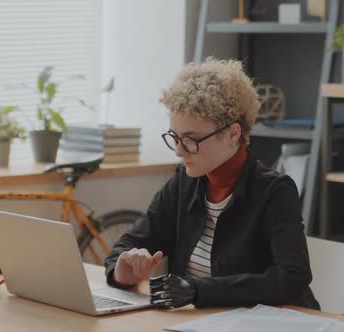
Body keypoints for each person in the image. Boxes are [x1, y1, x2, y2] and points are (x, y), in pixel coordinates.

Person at [104, 58, 319, 310]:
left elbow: (292, 277)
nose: (179, 151)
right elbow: (131, 243)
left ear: (233, 134)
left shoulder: (274, 191)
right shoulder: (184, 182)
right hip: (204, 322)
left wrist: (197, 290)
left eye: (190, 140)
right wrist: (123, 269)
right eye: (175, 137)